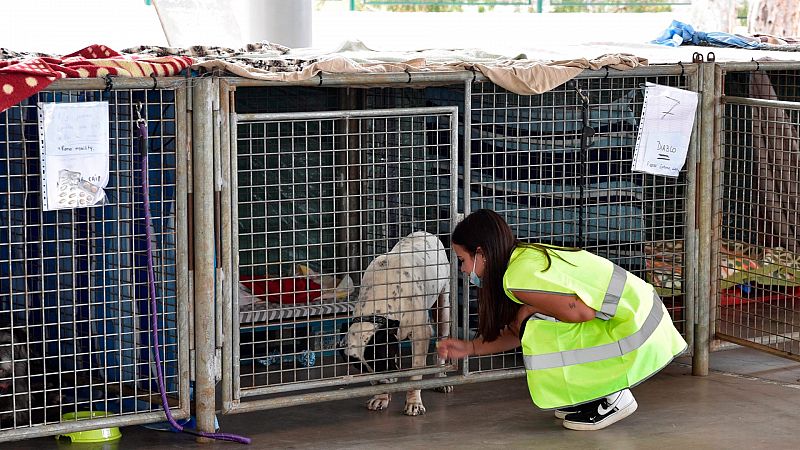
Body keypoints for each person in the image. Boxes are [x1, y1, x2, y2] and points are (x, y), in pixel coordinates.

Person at [437, 209, 687, 431]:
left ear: (481, 253)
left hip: (637, 330)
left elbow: (582, 313)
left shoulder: (516, 277)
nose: (463, 270)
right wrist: (470, 347)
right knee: (531, 320)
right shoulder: (523, 258)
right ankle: (593, 395)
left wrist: (526, 312)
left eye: (463, 260)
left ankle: (613, 396)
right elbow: (516, 330)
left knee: (536, 324)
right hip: (645, 319)